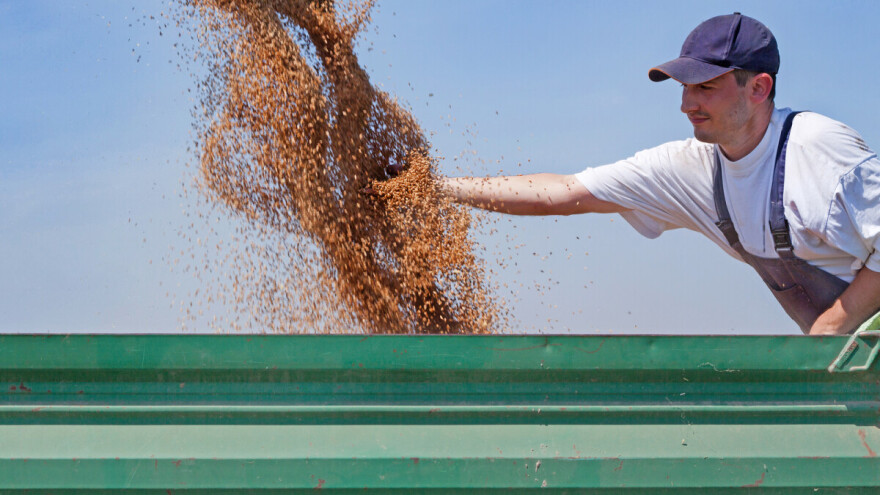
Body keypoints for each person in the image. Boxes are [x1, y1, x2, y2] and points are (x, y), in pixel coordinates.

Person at [438, 13, 880, 335]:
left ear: (759, 87)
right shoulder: (691, 168)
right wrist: (436, 188)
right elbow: (561, 193)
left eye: (705, 87)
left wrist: (829, 329)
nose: (687, 104)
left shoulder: (819, 149)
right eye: (685, 87)